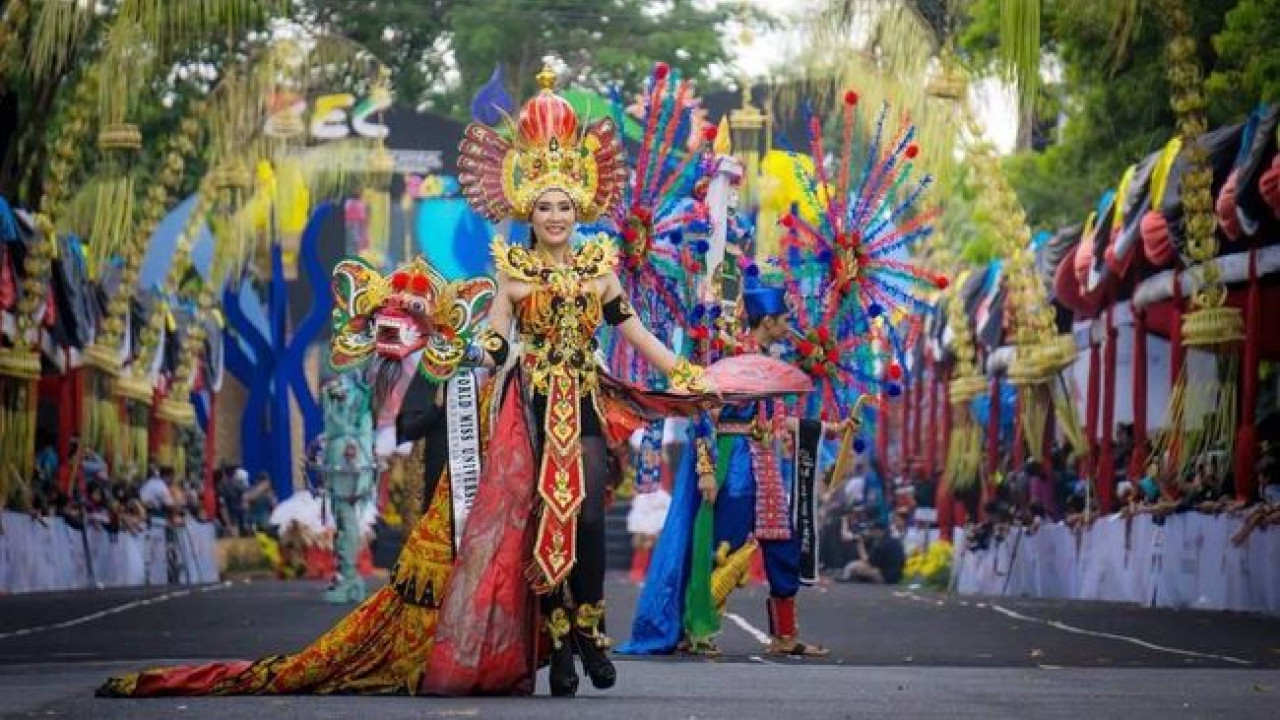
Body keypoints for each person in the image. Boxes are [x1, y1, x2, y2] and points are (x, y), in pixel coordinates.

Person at [100, 66, 767, 700]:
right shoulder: (512, 269)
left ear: (581, 205)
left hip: (582, 402)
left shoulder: (599, 268)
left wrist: (688, 374)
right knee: (535, 523)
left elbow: (636, 335)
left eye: (566, 205)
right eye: (546, 207)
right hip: (528, 407)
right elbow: (498, 335)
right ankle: (556, 644)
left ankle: (588, 631)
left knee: (587, 516)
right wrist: (482, 345)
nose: (558, 216)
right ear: (528, 211)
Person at [623, 283, 843, 658]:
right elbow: (703, 412)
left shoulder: (768, 364)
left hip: (763, 461)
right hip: (731, 460)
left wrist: (827, 429)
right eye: (783, 320)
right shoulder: (728, 355)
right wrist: (707, 469)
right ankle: (698, 628)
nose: (788, 326)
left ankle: (785, 636)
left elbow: (775, 420)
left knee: (782, 544)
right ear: (768, 321)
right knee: (721, 545)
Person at [841, 520, 905, 585]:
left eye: (872, 530)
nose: (871, 532)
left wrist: (860, 544)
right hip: (897, 576)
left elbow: (868, 562)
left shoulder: (880, 543)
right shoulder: (895, 541)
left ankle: (845, 579)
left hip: (885, 577)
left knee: (853, 566)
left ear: (879, 531)